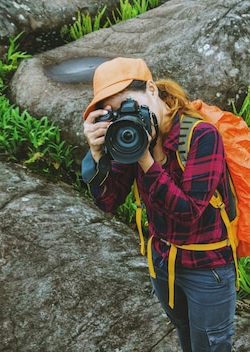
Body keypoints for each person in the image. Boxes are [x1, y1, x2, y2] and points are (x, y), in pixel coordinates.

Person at [81, 57, 236, 352]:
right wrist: (97, 154)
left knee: (211, 345)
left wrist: (146, 158)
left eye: (130, 104)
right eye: (114, 113)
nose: (126, 116)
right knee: (185, 332)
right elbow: (109, 202)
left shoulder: (200, 135)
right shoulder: (129, 136)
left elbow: (189, 211)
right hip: (163, 260)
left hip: (207, 268)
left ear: (151, 89)